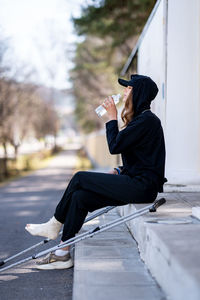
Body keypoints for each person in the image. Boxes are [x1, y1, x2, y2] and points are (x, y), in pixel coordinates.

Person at [25, 74, 167, 270]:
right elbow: (144, 159)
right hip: (134, 180)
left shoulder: (147, 121)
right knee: (80, 197)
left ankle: (55, 223)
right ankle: (62, 253)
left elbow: (114, 146)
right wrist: (119, 170)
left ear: (139, 93)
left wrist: (111, 117)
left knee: (80, 177)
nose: (124, 91)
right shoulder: (140, 120)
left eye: (129, 88)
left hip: (143, 187)